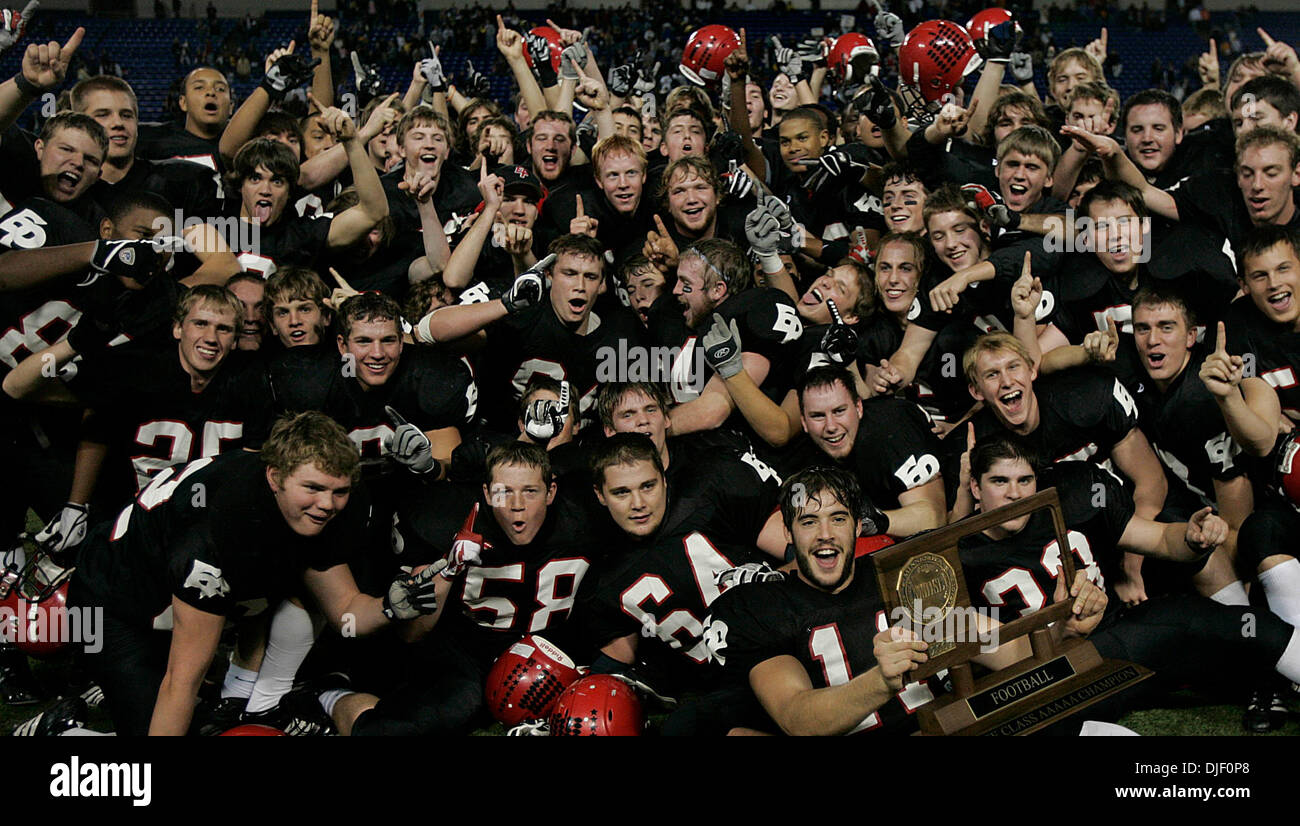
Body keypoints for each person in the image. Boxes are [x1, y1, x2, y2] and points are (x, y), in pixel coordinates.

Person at [67, 411, 444, 735]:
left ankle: (248, 701)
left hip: (195, 586)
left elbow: (345, 608)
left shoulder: (334, 502)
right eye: (312, 488)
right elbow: (182, 682)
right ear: (275, 477)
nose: (327, 504)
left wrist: (390, 608)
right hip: (109, 604)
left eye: (339, 491)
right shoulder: (218, 532)